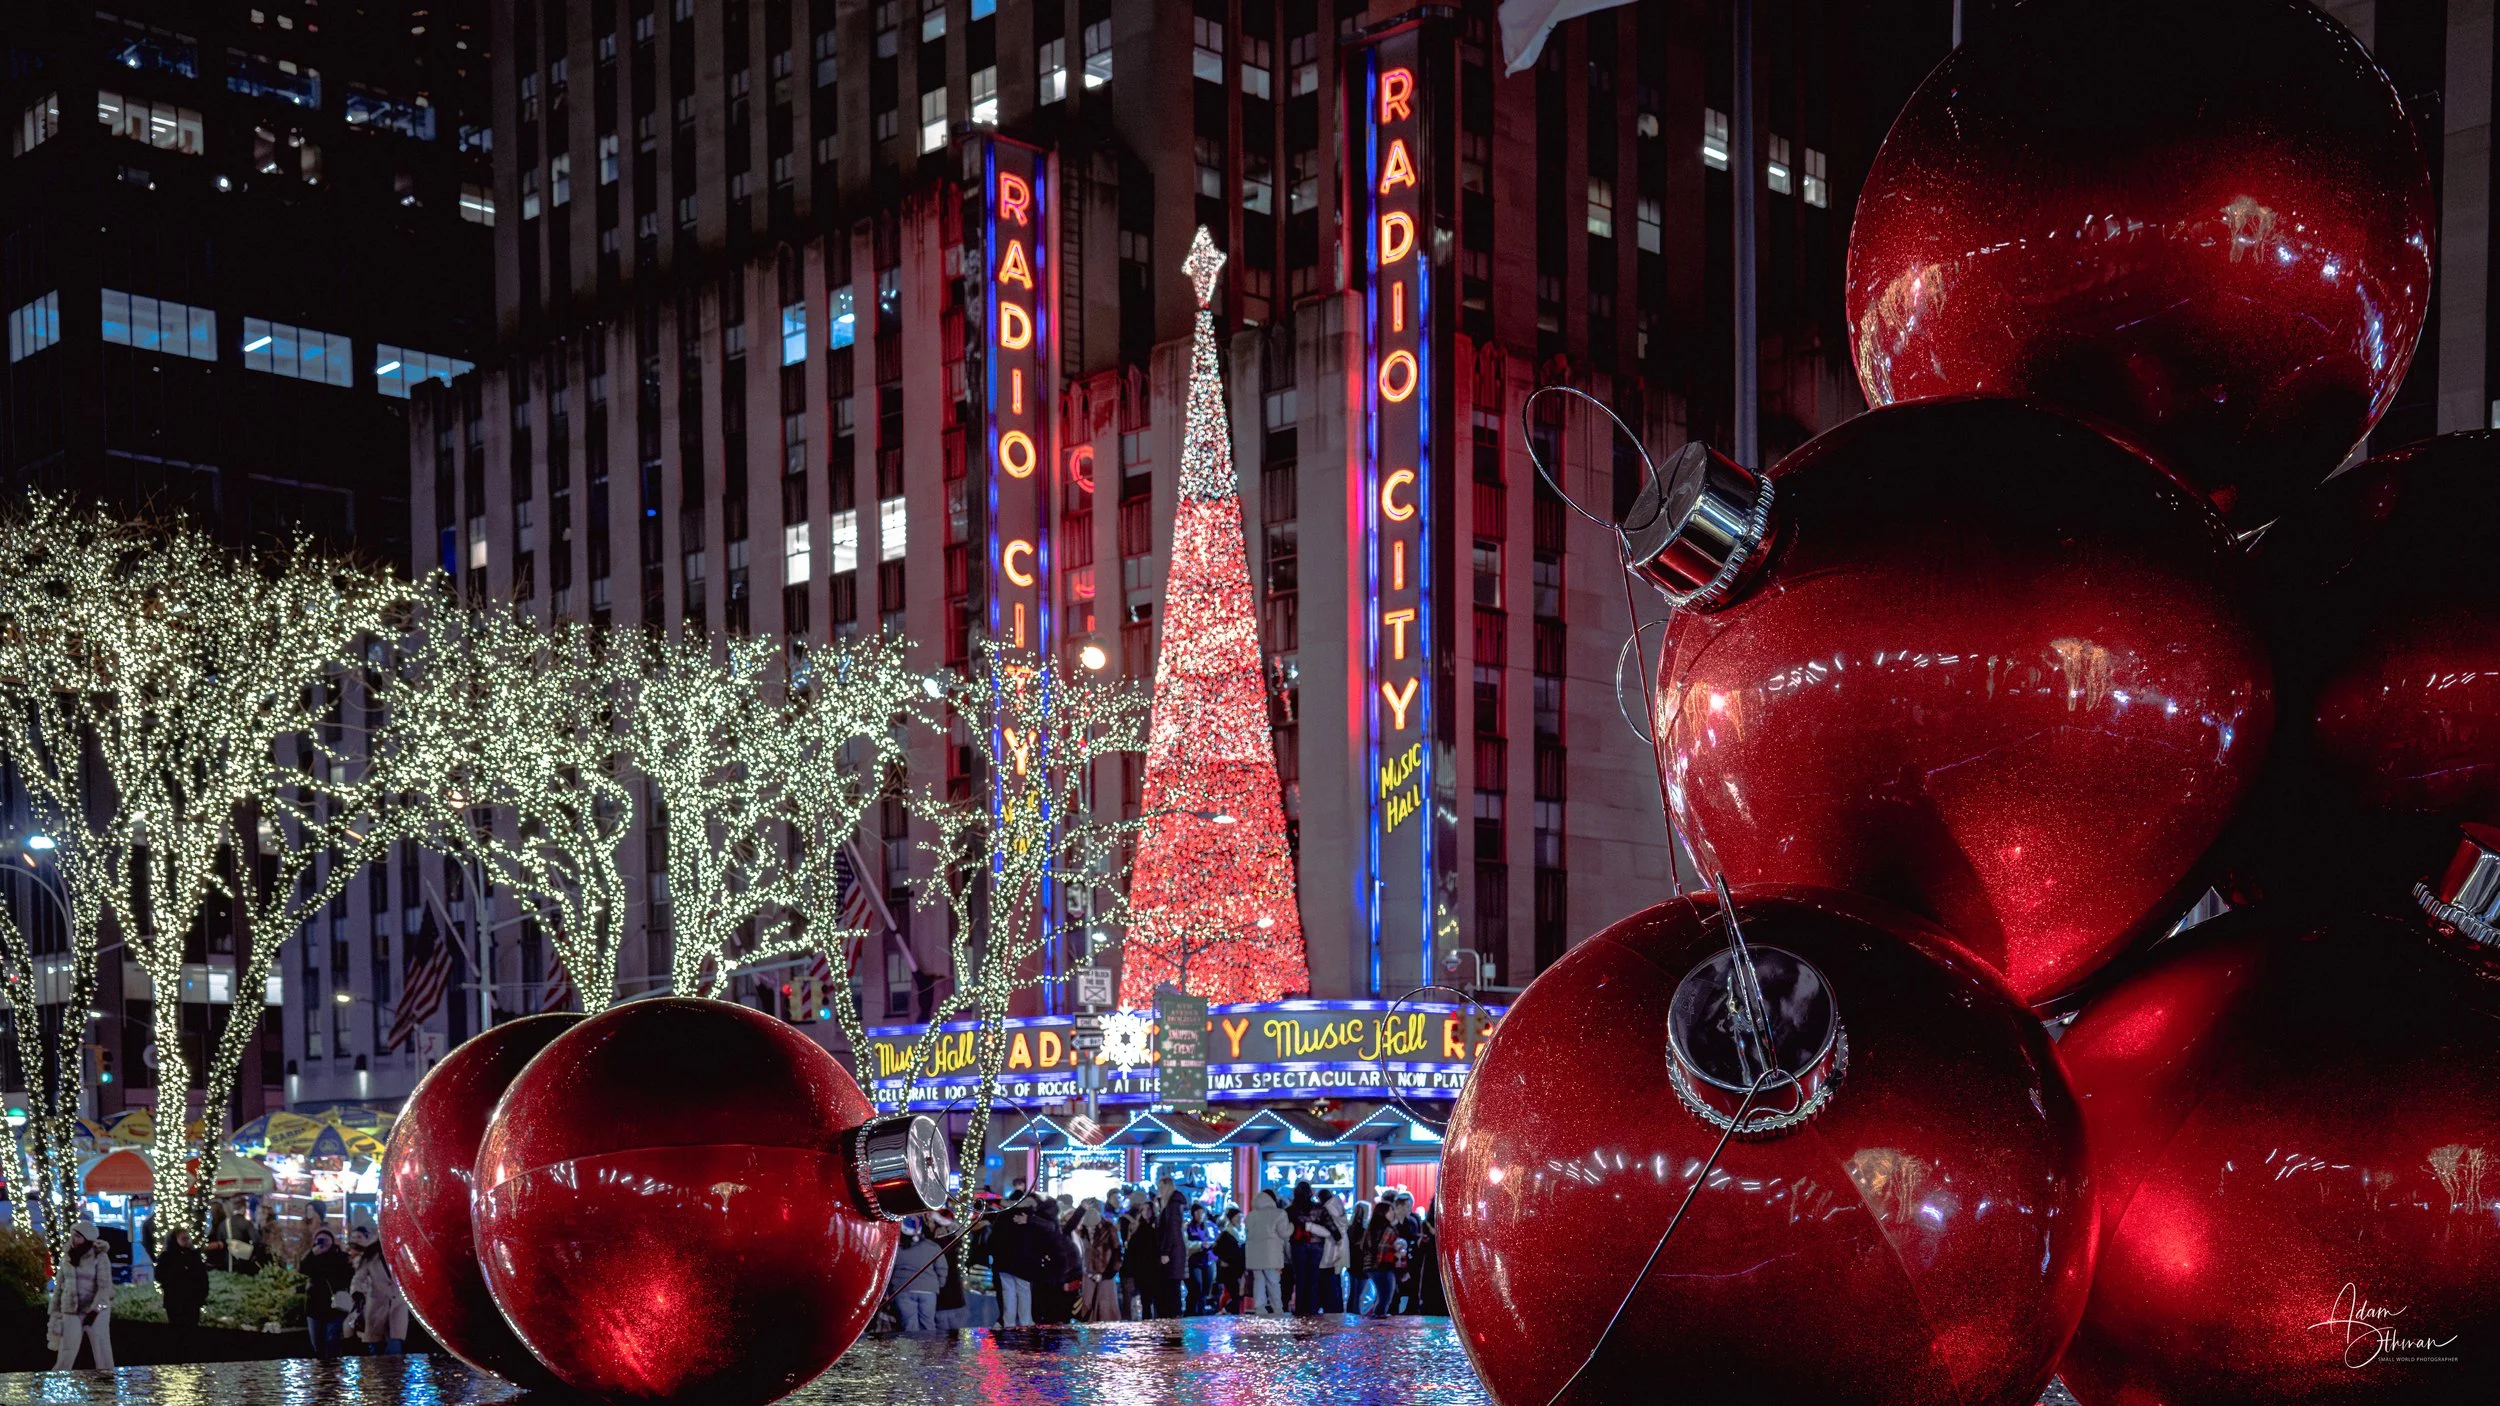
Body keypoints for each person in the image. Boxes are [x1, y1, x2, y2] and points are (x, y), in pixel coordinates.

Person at [50, 1221, 114, 1370]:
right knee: (66, 1350)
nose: (74, 1239)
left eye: (78, 1236)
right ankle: (59, 1382)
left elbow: (105, 1288)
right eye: (73, 1235)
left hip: (96, 1311)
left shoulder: (100, 1257)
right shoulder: (68, 1257)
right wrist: (55, 1310)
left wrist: (95, 1311)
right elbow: (59, 1286)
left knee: (102, 1350)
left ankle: (106, 1382)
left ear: (87, 1238)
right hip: (71, 1309)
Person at [348, 1226, 409, 1354]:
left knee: (395, 1344)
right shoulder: (371, 1256)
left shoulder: (402, 1253)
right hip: (377, 1303)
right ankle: (379, 1371)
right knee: (375, 1345)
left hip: (398, 1303)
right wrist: (356, 1293)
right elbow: (358, 1278)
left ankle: (393, 1372)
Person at [988, 1192, 1045, 1327]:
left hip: (1004, 1262)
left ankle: (1009, 1323)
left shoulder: (1003, 1216)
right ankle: (1025, 1322)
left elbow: (992, 1241)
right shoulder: (1030, 1216)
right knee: (1024, 1292)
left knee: (1008, 1293)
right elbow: (1038, 1241)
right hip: (1024, 1262)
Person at [300, 1228, 356, 1360]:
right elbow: (302, 1269)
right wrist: (311, 1254)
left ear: (332, 1241)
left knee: (332, 1338)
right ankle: (321, 1371)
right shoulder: (312, 1256)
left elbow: (348, 1275)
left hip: (335, 1305)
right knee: (317, 1343)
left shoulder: (340, 1256)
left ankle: (333, 1369)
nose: (322, 1243)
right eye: (319, 1240)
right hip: (314, 1306)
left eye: (326, 1239)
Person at [889, 1217, 950, 1333]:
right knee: (928, 1325)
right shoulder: (932, 1247)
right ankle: (927, 1349)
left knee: (909, 1326)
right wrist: (939, 1284)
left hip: (903, 1289)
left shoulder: (897, 1248)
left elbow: (890, 1271)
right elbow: (942, 1268)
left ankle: (911, 1350)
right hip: (928, 1290)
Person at [155, 1227, 211, 1345]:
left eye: (187, 1238)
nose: (187, 1241)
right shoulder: (167, 1257)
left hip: (192, 1301)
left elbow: (202, 1277)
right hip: (175, 1301)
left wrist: (202, 1294)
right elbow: (160, 1276)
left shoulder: (193, 1255)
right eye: (183, 1238)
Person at [1073, 1200, 1121, 1323]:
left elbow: (1116, 1253)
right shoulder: (1082, 1229)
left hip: (1105, 1273)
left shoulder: (1109, 1228)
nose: (1091, 1229)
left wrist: (1107, 1274)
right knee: (1088, 1304)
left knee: (1105, 1307)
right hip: (1087, 1273)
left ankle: (1105, 1336)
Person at [1285, 1181, 1328, 1317]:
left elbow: (1285, 1230)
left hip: (1297, 1245)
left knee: (1300, 1278)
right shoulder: (1319, 1209)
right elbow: (1329, 1227)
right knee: (1314, 1278)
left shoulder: (1290, 1210)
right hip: (1316, 1245)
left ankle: (1300, 1309)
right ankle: (1312, 1309)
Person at [1149, 1175, 1188, 1318]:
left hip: (1172, 1253)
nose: (1159, 1190)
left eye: (1161, 1187)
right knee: (1170, 1287)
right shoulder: (1171, 1204)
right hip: (1173, 1251)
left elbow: (1171, 1229)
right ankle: (1171, 1316)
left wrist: (1165, 1251)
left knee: (1171, 1288)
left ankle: (1172, 1317)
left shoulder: (1173, 1205)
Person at [1360, 1198, 1406, 1318]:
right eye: (1390, 1211)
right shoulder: (1388, 1230)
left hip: (1372, 1267)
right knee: (1385, 1297)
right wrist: (1396, 1254)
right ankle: (1379, 1323)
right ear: (1384, 1213)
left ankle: (1376, 1320)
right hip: (1383, 1266)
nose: (1393, 1213)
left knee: (1381, 1297)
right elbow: (1383, 1249)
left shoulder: (1373, 1228)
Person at [1244, 1189, 1287, 1315]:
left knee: (1259, 1281)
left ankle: (1259, 1308)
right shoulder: (1278, 1213)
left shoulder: (1251, 1215)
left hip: (1254, 1254)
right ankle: (1277, 1308)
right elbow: (1284, 1233)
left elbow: (1247, 1232)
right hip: (1271, 1254)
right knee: (1273, 1282)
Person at [929, 1210, 971, 1332]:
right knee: (954, 1334)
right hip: (954, 1297)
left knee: (943, 1333)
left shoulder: (936, 1243)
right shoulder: (954, 1241)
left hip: (943, 1297)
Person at [1316, 1188, 1350, 1312]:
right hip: (1339, 1249)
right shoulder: (1339, 1208)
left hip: (1330, 1249)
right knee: (1335, 1280)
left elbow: (1330, 1231)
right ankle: (1336, 1308)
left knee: (1328, 1280)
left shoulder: (1327, 1210)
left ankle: (1331, 1307)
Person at [1117, 1211, 1154, 1320]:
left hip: (1137, 1273)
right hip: (1130, 1273)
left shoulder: (1139, 1238)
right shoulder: (1128, 1240)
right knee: (1130, 1301)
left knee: (1140, 1301)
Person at [1182, 1204, 1216, 1315]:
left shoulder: (1210, 1227)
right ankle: (1190, 1312)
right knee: (1196, 1288)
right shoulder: (1188, 1228)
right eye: (1197, 1212)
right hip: (1194, 1261)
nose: (1200, 1215)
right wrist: (1200, 1245)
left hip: (1208, 1260)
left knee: (1206, 1290)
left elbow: (1216, 1239)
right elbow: (1186, 1244)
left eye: (1202, 1212)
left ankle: (1201, 1313)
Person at [1214, 1206, 1247, 1312]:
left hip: (1241, 1268)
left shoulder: (1243, 1233)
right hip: (1229, 1269)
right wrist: (1225, 1259)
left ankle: (1229, 1312)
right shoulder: (1226, 1233)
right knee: (1235, 1293)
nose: (1239, 1219)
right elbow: (1216, 1249)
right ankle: (1225, 1310)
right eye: (1237, 1217)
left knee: (1240, 1294)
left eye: (1240, 1217)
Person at [1344, 1201, 1373, 1312]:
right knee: (1360, 1293)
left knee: (1353, 1292)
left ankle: (1350, 1313)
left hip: (1351, 1262)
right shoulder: (1366, 1230)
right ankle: (1356, 1314)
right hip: (1362, 1264)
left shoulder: (1350, 1228)